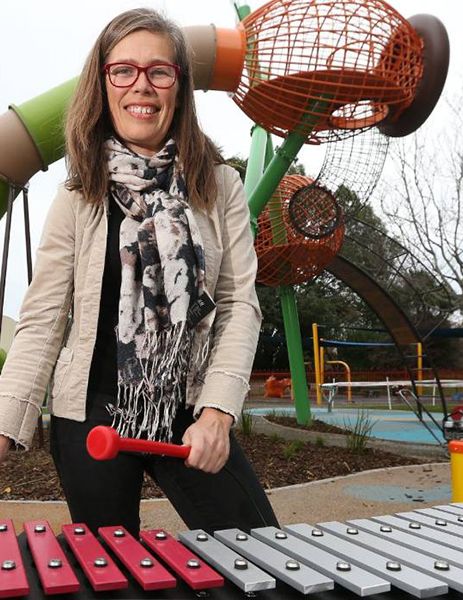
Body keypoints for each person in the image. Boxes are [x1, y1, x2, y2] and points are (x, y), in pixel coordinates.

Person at [0, 8, 279, 536]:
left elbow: (241, 304)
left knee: (260, 553)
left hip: (190, 406)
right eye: (123, 70)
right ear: (103, 84)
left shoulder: (220, 187)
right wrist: (4, 425)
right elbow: (42, 321)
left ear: (179, 85)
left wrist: (218, 412)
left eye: (159, 71)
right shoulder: (78, 195)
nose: (141, 85)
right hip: (91, 415)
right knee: (113, 574)